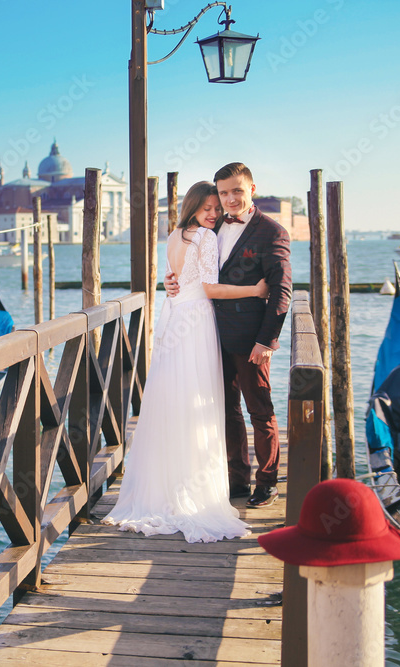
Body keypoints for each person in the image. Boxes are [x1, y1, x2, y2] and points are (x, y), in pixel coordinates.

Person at [102, 181, 267, 543]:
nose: (213, 214)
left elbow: (177, 278)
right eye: (207, 208)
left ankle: (164, 487)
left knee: (174, 399)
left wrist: (170, 283)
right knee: (199, 403)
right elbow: (209, 288)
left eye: (215, 208)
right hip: (196, 321)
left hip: (176, 315)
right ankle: (194, 493)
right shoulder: (205, 238)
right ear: (193, 206)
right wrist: (255, 290)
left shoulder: (175, 235)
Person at [165, 162, 293, 509]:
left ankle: (267, 483)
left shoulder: (272, 232)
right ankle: (237, 480)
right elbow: (191, 266)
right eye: (223, 193)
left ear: (252, 188)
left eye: (237, 190)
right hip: (208, 336)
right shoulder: (213, 223)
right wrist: (171, 280)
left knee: (260, 410)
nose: (229, 199)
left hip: (250, 338)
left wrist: (266, 341)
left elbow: (281, 291)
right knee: (225, 410)